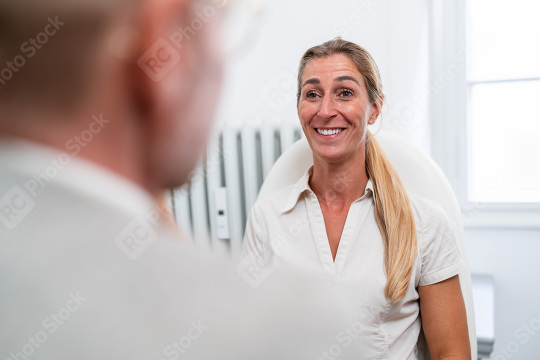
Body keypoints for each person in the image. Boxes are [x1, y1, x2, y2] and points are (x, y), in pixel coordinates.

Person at [0, 2, 366, 359]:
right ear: (162, 47)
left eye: (345, 93)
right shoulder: (292, 328)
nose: (325, 110)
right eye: (224, 30)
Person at [242, 38, 471, 359]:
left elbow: (452, 352)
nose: (325, 110)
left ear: (375, 108)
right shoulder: (266, 218)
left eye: (345, 93)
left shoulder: (426, 223)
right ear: (299, 108)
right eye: (312, 94)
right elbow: (252, 341)